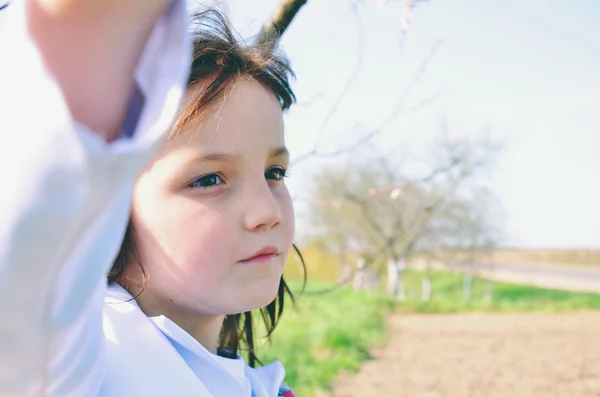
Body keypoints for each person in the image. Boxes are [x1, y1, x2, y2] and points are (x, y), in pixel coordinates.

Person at [0, 1, 297, 395]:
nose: (267, 212)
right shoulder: (76, 368)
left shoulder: (255, 384)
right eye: (209, 179)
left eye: (274, 173)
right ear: (107, 209)